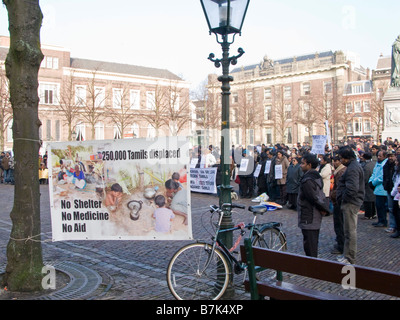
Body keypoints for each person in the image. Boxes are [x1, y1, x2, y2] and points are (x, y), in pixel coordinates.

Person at [297, 153, 330, 258]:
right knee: (311, 240)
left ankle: (312, 265)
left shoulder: (308, 180)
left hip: (309, 214)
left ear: (309, 165)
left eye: (303, 163)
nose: (300, 166)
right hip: (312, 213)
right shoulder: (314, 177)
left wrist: (323, 208)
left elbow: (313, 197)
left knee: (310, 242)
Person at [336, 146, 365, 264]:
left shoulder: (353, 168)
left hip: (350, 203)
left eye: (341, 158)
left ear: (346, 158)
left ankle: (350, 257)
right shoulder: (353, 166)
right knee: (348, 230)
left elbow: (352, 189)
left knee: (350, 231)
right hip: (350, 201)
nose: (340, 161)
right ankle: (347, 255)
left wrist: (344, 199)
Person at [329, 155, 347, 255]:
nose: (334, 163)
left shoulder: (341, 171)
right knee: (339, 224)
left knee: (340, 224)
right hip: (337, 200)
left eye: (336, 161)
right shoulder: (337, 171)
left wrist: (334, 196)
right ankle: (340, 243)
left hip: (339, 201)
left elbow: (339, 188)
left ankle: (341, 246)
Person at [369, 150, 388, 227]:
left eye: (380, 156)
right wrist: (371, 181)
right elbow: (374, 173)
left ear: (384, 156)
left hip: (382, 189)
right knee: (378, 206)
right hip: (377, 188)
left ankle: (383, 221)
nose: (378, 157)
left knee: (382, 206)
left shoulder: (385, 164)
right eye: (378, 156)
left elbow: (382, 177)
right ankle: (380, 220)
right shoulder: (378, 164)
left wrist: (373, 182)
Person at [383, 150, 397, 233]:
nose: (390, 158)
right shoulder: (386, 165)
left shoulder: (396, 166)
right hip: (389, 189)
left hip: (396, 191)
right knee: (391, 208)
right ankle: (392, 226)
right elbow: (385, 176)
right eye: (388, 156)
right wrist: (385, 185)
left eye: (391, 156)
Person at [361, 153, 377, 220]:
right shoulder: (373, 163)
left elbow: (365, 177)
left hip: (368, 185)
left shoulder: (366, 166)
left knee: (368, 200)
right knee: (372, 200)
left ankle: (368, 215)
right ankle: (373, 213)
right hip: (373, 184)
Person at [390, 155, 400, 238]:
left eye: (397, 161)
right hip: (396, 195)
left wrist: (393, 193)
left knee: (397, 213)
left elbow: (397, 184)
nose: (395, 162)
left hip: (397, 195)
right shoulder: (396, 171)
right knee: (395, 212)